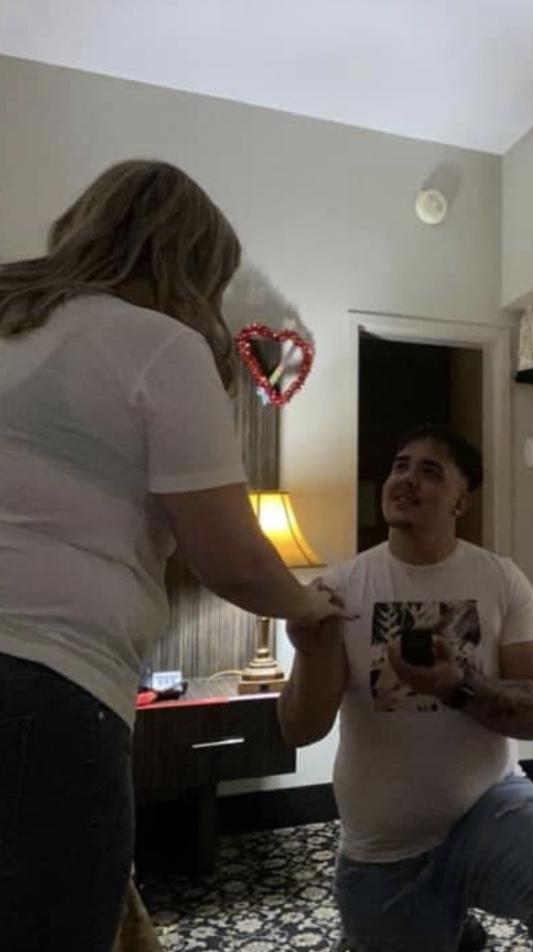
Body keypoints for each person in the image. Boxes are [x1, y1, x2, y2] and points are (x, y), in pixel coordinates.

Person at [0, 160, 348, 952]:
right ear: (189, 265)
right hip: (42, 688)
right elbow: (232, 557)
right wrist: (308, 605)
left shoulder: (14, 324)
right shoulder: (159, 344)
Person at [279, 424, 533, 952]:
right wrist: (309, 651)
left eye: (430, 471)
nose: (406, 479)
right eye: (400, 466)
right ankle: (455, 933)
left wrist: (460, 685)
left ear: (462, 501)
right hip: (384, 851)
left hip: (490, 807)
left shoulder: (501, 580)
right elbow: (301, 729)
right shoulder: (342, 589)